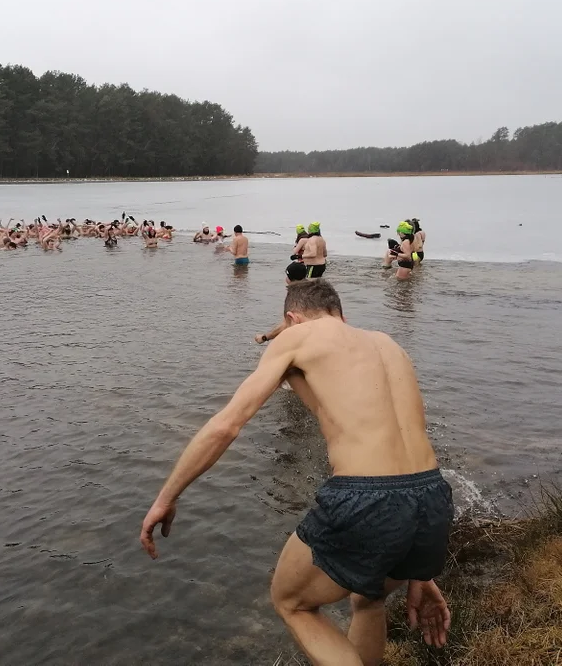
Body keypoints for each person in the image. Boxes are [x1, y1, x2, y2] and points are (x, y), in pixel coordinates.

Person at [141, 280, 454, 664]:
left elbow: (227, 425)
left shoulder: (297, 337)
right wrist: (419, 570)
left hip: (368, 497)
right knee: (368, 598)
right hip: (432, 496)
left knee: (291, 602)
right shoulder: (389, 345)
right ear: (342, 314)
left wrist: (167, 497)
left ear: (292, 319)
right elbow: (402, 450)